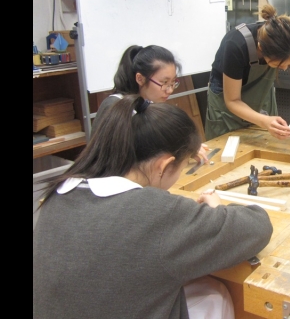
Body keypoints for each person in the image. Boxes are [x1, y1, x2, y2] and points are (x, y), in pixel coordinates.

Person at [33, 95, 274, 319]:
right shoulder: (156, 213)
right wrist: (216, 211)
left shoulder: (59, 194)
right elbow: (257, 227)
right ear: (164, 166)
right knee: (215, 295)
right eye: (182, 167)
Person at [205, 4, 290, 141]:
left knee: (267, 144)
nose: (285, 68)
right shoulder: (236, 45)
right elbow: (232, 101)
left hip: (260, 98)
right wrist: (264, 121)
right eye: (280, 64)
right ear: (261, 48)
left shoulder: (285, 41)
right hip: (227, 104)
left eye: (287, 63)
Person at [92, 44, 209, 162]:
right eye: (164, 82)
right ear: (140, 79)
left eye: (173, 82)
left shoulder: (146, 104)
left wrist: (186, 149)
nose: (170, 90)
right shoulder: (115, 107)